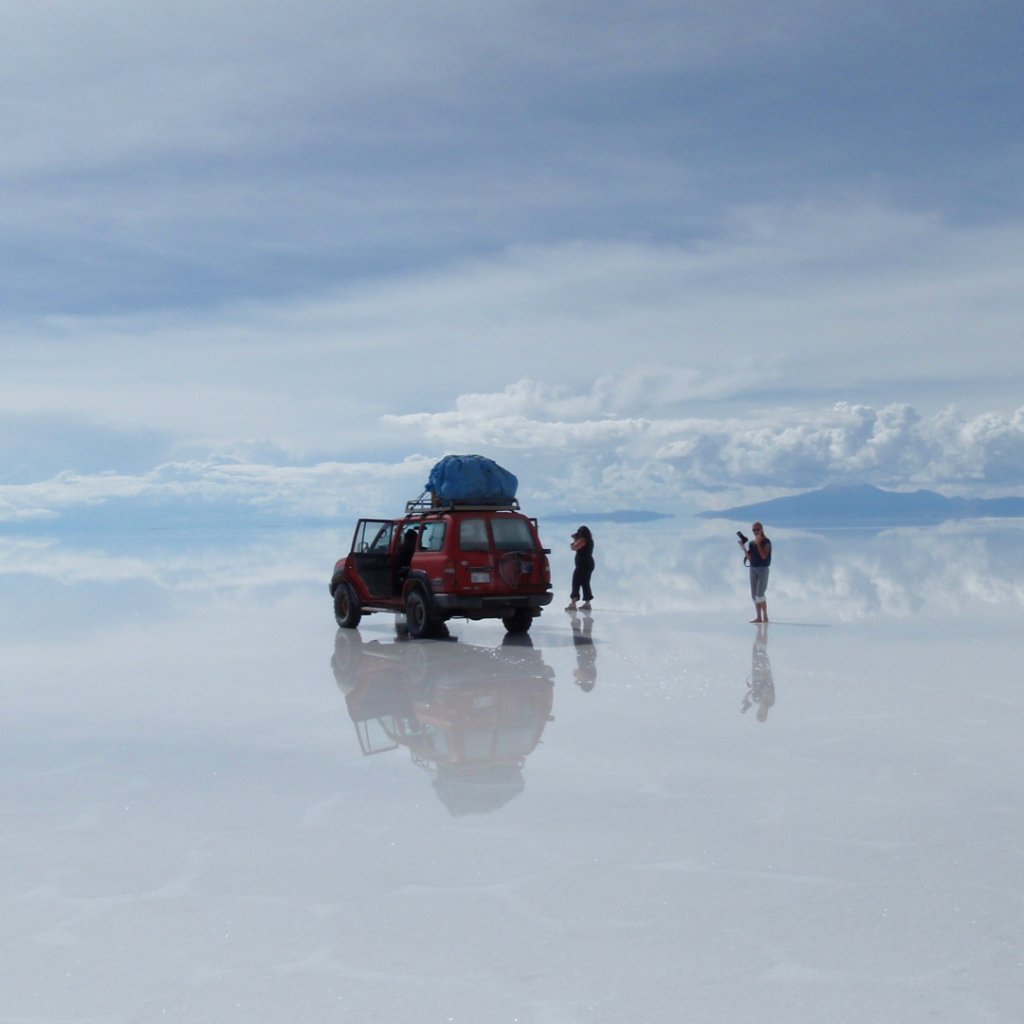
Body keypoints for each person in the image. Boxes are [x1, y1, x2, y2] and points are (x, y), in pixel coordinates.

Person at [739, 521, 771, 623]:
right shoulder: (752, 543)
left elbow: (764, 556)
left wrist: (759, 544)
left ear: (761, 530)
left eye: (757, 529)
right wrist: (744, 548)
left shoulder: (766, 542)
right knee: (754, 595)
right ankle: (758, 616)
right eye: (754, 530)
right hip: (753, 568)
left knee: (760, 593)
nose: (755, 531)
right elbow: (750, 558)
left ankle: (765, 616)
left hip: (763, 569)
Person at [565, 525, 594, 611]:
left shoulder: (583, 540)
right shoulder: (590, 540)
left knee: (576, 583)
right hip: (588, 564)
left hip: (582, 565)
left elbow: (574, 547)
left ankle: (573, 603)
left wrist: (574, 541)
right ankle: (587, 603)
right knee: (585, 583)